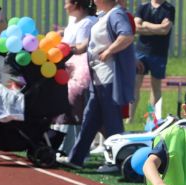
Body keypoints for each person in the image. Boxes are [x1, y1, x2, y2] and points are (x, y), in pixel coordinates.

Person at [57, 0, 135, 170]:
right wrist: (74, 49)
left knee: (112, 119)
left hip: (109, 74)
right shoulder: (102, 16)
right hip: (97, 75)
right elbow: (91, 43)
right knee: (90, 118)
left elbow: (126, 36)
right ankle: (76, 158)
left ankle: (118, 161)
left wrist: (108, 51)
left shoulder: (116, 14)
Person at [56, 0, 97, 164]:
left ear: (76, 4)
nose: (65, 6)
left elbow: (81, 50)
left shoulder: (87, 23)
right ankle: (68, 148)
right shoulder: (73, 21)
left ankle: (76, 151)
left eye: (67, 3)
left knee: (78, 111)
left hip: (80, 73)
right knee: (70, 110)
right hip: (67, 70)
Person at [130, 0, 175, 121]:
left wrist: (145, 24)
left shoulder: (169, 8)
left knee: (155, 88)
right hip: (141, 51)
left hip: (159, 53)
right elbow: (136, 28)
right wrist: (157, 28)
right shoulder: (143, 7)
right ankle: (130, 118)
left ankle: (152, 118)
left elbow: (165, 30)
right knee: (135, 85)